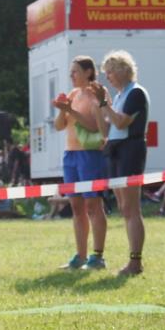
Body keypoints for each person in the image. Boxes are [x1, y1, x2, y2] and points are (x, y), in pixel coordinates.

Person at [91, 50, 149, 277]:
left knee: (131, 208)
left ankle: (135, 261)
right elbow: (107, 130)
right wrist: (98, 105)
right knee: (124, 209)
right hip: (114, 151)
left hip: (130, 151)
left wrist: (105, 103)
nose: (109, 77)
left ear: (125, 69)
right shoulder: (118, 96)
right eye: (106, 73)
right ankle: (133, 260)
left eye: (111, 71)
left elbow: (121, 122)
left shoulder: (136, 93)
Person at [51, 56, 108, 270]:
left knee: (94, 205)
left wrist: (71, 111)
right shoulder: (74, 94)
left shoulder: (98, 94)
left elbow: (95, 127)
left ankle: (98, 256)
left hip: (90, 154)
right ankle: (80, 256)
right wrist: (62, 109)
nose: (71, 75)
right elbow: (59, 126)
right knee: (76, 206)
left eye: (75, 71)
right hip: (71, 155)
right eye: (71, 71)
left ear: (88, 72)